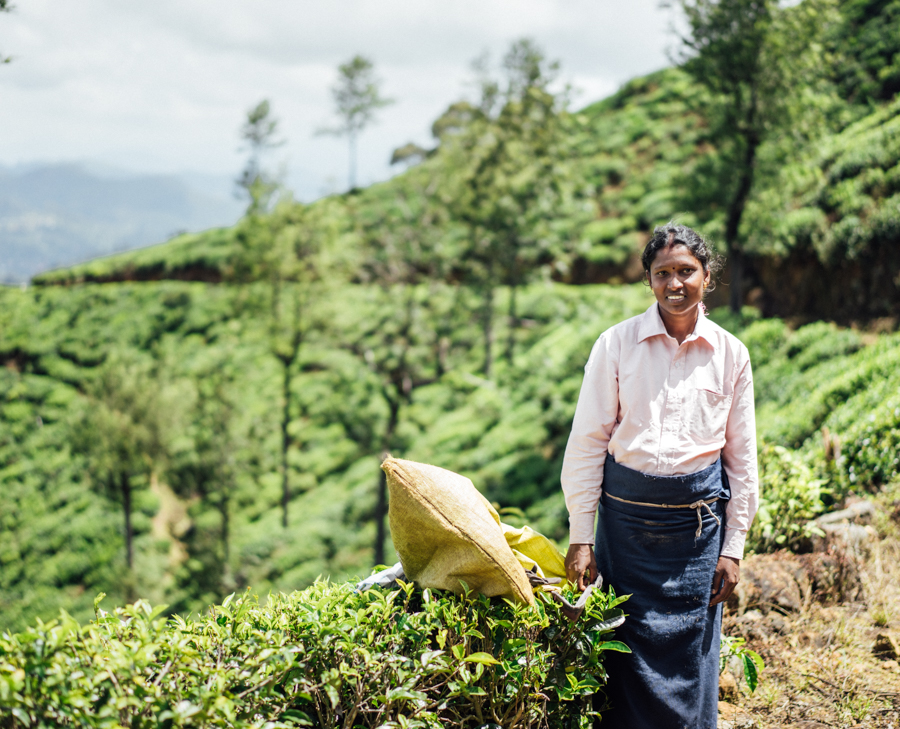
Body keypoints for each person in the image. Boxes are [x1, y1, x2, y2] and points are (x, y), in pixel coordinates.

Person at [561, 223, 759, 729]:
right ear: (648, 281)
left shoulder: (731, 354)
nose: (675, 284)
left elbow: (741, 460)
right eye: (662, 273)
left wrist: (733, 547)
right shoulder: (616, 344)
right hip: (624, 535)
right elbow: (588, 442)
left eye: (685, 271)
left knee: (693, 658)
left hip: (696, 540)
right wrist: (582, 537)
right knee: (622, 657)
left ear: (706, 276)